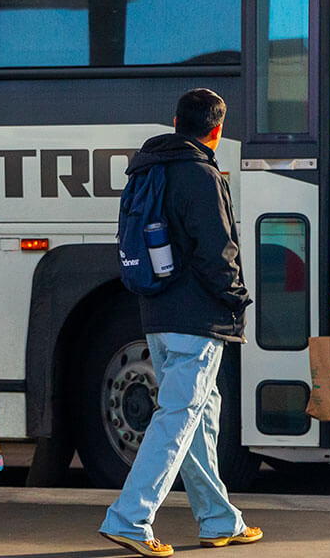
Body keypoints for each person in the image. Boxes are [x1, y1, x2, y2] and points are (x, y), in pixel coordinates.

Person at [100, 89, 262, 557]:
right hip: (197, 317)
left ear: (175, 121)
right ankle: (129, 518)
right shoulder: (200, 174)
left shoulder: (147, 169)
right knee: (179, 416)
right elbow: (218, 251)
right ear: (217, 130)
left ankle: (217, 519)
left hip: (158, 313)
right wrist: (237, 299)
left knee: (198, 415)